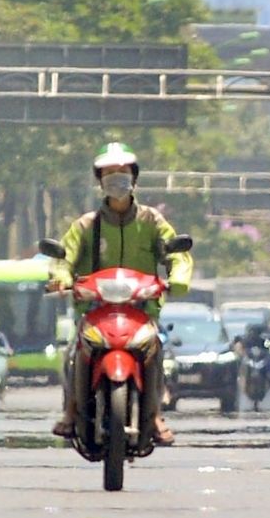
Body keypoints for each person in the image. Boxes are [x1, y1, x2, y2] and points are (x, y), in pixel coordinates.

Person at [47, 142, 193, 444]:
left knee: (156, 352)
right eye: (109, 173)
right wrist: (60, 278)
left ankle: (154, 415)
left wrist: (177, 277)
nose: (116, 178)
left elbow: (175, 254)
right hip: (93, 311)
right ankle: (71, 411)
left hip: (142, 312)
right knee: (74, 354)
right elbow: (64, 258)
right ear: (100, 180)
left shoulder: (152, 221)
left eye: (122, 172)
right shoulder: (86, 225)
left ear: (134, 177)